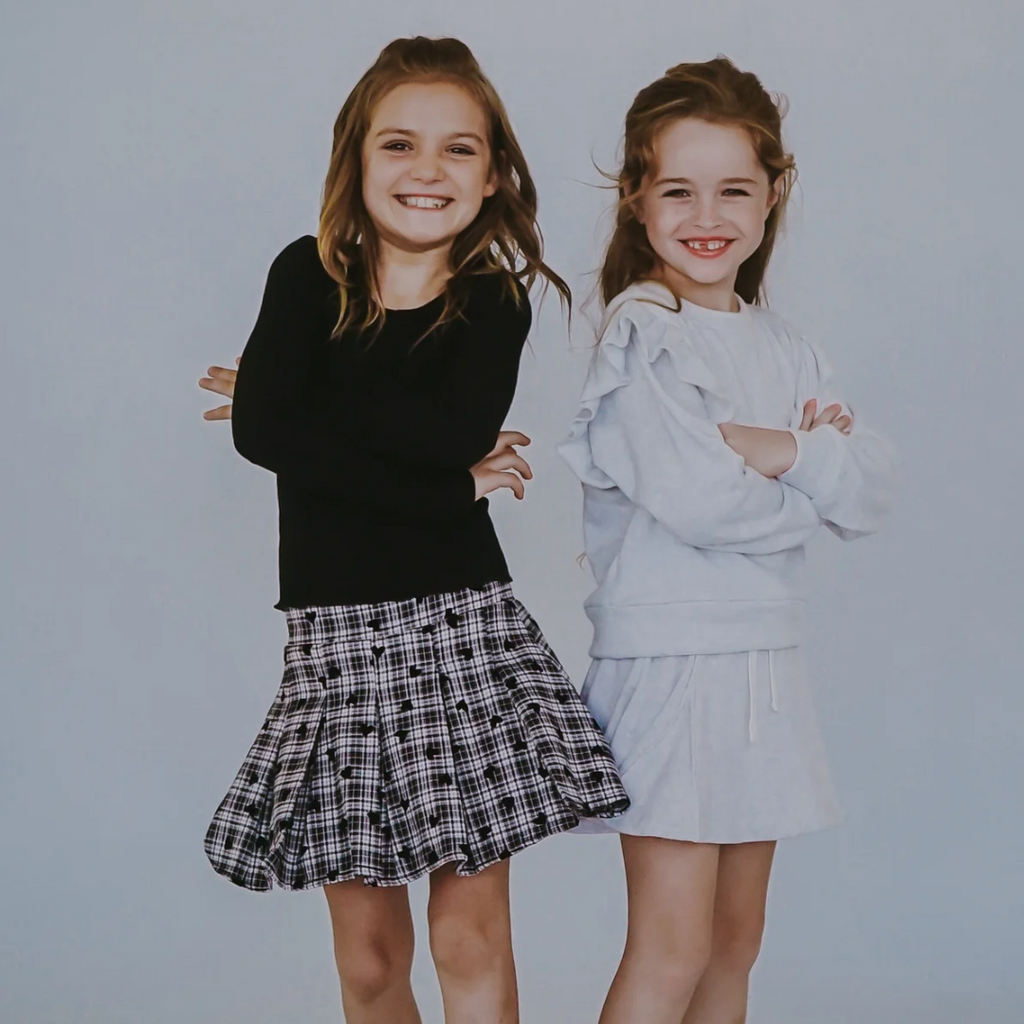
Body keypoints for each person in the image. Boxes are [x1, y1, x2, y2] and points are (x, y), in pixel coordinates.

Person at [200, 36, 628, 1024]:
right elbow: (268, 434)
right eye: (399, 144)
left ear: (494, 174)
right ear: (355, 159)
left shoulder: (492, 299)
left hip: (460, 633)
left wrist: (302, 402)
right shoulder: (305, 274)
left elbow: (438, 433)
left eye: (457, 149)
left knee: (467, 938)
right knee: (369, 960)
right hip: (335, 649)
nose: (426, 169)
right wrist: (440, 485)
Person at [558, 57, 899, 1024]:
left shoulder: (785, 344)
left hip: (763, 663)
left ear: (773, 192)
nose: (706, 216)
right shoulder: (644, 335)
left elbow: (872, 489)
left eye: (734, 190)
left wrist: (782, 450)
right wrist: (811, 484)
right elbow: (702, 503)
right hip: (674, 666)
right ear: (636, 200)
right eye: (678, 190)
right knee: (672, 948)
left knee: (734, 944)